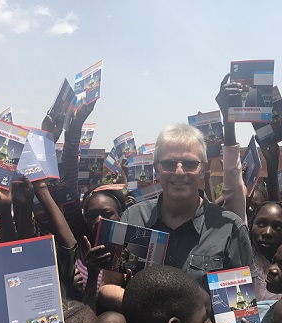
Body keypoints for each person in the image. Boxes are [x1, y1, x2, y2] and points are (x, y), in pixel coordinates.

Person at [98, 124, 256, 312]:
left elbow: (240, 309)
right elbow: (108, 287)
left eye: (189, 164)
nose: (179, 172)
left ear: (202, 170)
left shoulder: (229, 228)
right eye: (169, 164)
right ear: (156, 169)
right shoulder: (133, 218)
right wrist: (150, 307)